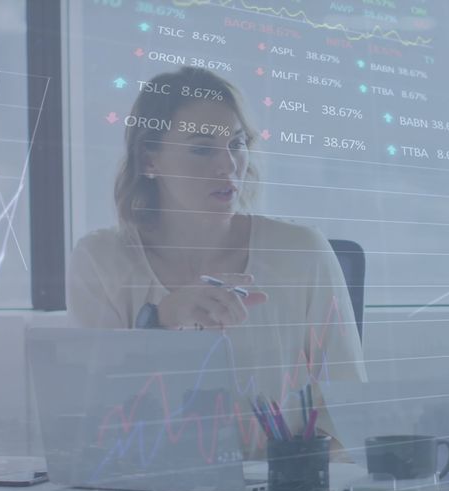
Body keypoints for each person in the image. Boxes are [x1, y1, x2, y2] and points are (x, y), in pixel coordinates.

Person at [66, 66, 366, 457]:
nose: (227, 166)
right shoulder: (100, 260)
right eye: (202, 148)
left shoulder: (301, 251)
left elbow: (349, 414)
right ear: (148, 160)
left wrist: (295, 483)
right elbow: (93, 420)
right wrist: (158, 320)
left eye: (237, 144)